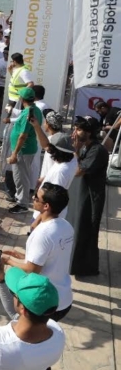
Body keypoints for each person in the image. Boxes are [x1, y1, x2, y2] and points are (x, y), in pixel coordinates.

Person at [2, 183, 73, 370]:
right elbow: (50, 258)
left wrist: (8, 261)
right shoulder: (65, 226)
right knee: (38, 349)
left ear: (46, 206)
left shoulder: (43, 234)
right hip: (63, 298)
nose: (33, 199)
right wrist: (24, 257)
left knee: (36, 354)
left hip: (44, 301)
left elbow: (32, 270)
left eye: (36, 198)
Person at [70, 117, 110, 277]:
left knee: (88, 230)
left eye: (79, 129)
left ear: (89, 132)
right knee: (79, 228)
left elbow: (78, 171)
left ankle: (87, 268)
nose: (75, 132)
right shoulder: (85, 147)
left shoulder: (97, 150)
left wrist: (76, 150)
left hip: (92, 198)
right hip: (82, 194)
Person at [7, 88, 43, 214]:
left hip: (23, 151)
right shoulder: (34, 110)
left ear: (22, 99)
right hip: (26, 149)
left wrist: (14, 154)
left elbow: (23, 135)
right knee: (22, 175)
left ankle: (22, 204)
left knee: (21, 177)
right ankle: (21, 199)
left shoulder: (29, 113)